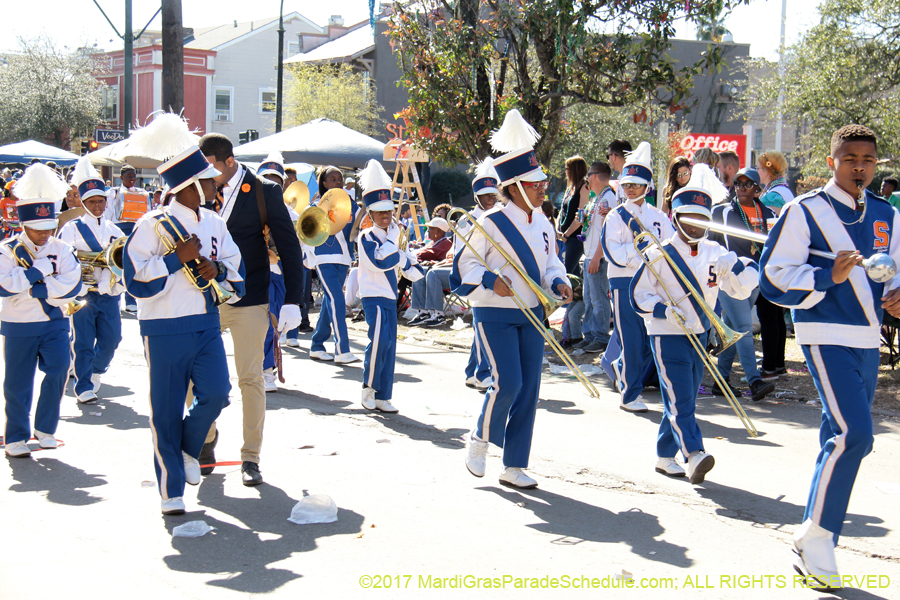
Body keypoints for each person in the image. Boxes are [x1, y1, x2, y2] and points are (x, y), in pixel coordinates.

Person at [759, 124, 900, 589]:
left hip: (867, 338)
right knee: (855, 435)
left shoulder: (887, 214)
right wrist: (826, 275)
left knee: (834, 436)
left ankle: (815, 544)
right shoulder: (805, 211)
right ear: (831, 162)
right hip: (823, 333)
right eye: (849, 158)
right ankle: (814, 536)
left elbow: (893, 273)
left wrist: (897, 294)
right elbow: (774, 278)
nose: (859, 167)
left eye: (867, 160)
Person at [124, 113, 245, 514]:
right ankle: (170, 491)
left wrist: (219, 269)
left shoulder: (213, 220)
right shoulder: (150, 225)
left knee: (217, 394)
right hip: (162, 329)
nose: (216, 184)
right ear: (191, 186)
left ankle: (189, 450)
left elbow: (234, 266)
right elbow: (136, 280)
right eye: (209, 181)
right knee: (165, 409)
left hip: (207, 324)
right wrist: (177, 260)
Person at [454, 109, 572, 489]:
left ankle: (515, 464)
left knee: (530, 389)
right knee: (508, 384)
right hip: (495, 312)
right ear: (517, 186)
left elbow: (551, 263)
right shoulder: (487, 223)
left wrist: (558, 282)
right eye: (536, 184)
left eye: (542, 183)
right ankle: (479, 437)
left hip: (533, 314)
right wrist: (491, 279)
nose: (543, 188)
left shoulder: (545, 224)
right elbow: (463, 267)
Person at [631, 164, 758, 484]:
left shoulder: (717, 251)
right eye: (690, 217)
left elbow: (738, 289)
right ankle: (694, 454)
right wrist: (663, 312)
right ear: (676, 218)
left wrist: (744, 268)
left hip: (700, 335)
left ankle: (663, 456)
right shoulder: (658, 254)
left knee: (682, 398)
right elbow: (638, 296)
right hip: (667, 335)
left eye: (703, 218)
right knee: (680, 397)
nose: (698, 224)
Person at [198, 132, 305, 486]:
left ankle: (250, 458)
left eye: (211, 166)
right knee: (197, 377)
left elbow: (290, 248)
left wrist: (293, 299)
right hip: (206, 298)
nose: (206, 174)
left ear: (229, 161)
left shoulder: (263, 191)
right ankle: (207, 435)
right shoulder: (198, 189)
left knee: (250, 379)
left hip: (251, 296)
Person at [0, 164, 82, 458]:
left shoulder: (62, 248)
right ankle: (17, 436)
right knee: (17, 383)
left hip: (55, 321)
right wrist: (38, 272)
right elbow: (5, 287)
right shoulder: (7, 250)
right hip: (18, 324)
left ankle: (45, 429)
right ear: (24, 225)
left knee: (60, 368)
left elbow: (72, 287)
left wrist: (35, 289)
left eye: (49, 228)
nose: (44, 234)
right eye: (37, 229)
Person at [600, 141, 674, 413]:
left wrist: (650, 252)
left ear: (647, 186)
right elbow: (615, 254)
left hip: (652, 283)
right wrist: (643, 250)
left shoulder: (659, 216)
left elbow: (668, 248)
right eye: (627, 184)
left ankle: (621, 368)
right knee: (630, 338)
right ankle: (630, 395)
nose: (630, 189)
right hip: (623, 282)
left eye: (636, 184)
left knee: (647, 339)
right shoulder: (616, 216)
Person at [356, 159, 425, 413]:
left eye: (389, 211)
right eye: (380, 212)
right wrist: (397, 247)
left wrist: (409, 260)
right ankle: (368, 387)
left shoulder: (393, 238)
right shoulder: (367, 237)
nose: (386, 216)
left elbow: (413, 271)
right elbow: (378, 262)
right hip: (372, 296)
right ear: (371, 213)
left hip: (389, 297)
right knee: (378, 342)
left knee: (390, 344)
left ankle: (384, 394)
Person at [58, 156, 125, 404]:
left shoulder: (115, 230)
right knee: (83, 341)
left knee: (112, 339)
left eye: (100, 201)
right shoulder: (72, 228)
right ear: (84, 203)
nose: (97, 206)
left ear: (106, 202)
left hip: (108, 294)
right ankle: (83, 386)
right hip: (83, 293)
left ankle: (95, 370)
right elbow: (64, 260)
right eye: (91, 201)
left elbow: (122, 262)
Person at [708, 167, 777, 401]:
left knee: (734, 328)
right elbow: (710, 243)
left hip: (755, 276)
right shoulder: (722, 212)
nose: (741, 187)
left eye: (748, 184)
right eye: (738, 183)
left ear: (757, 188)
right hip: (731, 276)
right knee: (745, 328)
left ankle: (721, 380)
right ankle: (754, 381)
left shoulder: (767, 213)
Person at [304, 165, 361, 364]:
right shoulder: (315, 206)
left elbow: (357, 227)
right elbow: (306, 232)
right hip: (324, 258)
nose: (338, 182)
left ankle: (317, 345)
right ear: (325, 183)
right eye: (334, 179)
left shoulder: (351, 204)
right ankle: (342, 349)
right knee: (337, 299)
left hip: (344, 258)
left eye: (340, 179)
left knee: (330, 303)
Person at [458, 158, 501, 390]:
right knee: (484, 325)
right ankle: (483, 372)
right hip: (478, 278)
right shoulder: (467, 220)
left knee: (481, 327)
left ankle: (472, 371)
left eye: (493, 194)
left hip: (495, 278)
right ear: (477, 197)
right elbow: (462, 255)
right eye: (486, 196)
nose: (491, 199)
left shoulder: (500, 217)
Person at [258, 151, 296, 391]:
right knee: (265, 321)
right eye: (267, 180)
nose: (272, 185)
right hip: (259, 271)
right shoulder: (249, 210)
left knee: (277, 322)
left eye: (276, 181)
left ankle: (265, 366)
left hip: (281, 270)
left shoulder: (292, 213)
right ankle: (265, 370)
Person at [755, 151, 793, 380]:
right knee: (776, 314)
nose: (757, 172)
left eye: (759, 168)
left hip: (773, 258)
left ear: (768, 170)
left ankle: (769, 367)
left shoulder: (772, 196)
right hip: (784, 257)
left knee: (768, 315)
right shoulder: (784, 190)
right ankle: (777, 364)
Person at [574, 161, 614, 353]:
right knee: (589, 298)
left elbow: (607, 231)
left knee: (599, 299)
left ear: (595, 176)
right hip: (589, 254)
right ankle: (589, 335)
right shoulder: (596, 197)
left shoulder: (609, 198)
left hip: (598, 256)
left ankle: (600, 337)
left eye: (589, 174)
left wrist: (597, 257)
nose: (587, 178)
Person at [105, 164, 150, 313]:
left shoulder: (143, 193)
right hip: (119, 230)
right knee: (116, 266)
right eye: (129, 176)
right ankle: (116, 298)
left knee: (133, 265)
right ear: (121, 178)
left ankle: (131, 301)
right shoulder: (114, 192)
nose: (132, 179)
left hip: (136, 230)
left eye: (133, 176)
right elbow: (109, 213)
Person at [403, 217, 453, 327]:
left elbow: (445, 259)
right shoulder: (432, 243)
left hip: (441, 276)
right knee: (419, 271)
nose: (428, 230)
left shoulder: (445, 243)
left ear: (439, 231)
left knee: (426, 272)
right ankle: (422, 312)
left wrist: (431, 262)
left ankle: (438, 314)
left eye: (430, 228)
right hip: (429, 272)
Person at [557, 156, 590, 277]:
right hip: (564, 236)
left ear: (574, 170)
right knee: (574, 274)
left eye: (567, 168)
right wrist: (558, 230)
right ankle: (577, 294)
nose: (565, 171)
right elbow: (562, 211)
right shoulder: (570, 187)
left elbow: (580, 218)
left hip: (575, 238)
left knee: (566, 272)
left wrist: (566, 235)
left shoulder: (584, 188)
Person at [757, 150, 794, 215]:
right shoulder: (781, 189)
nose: (756, 171)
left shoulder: (773, 196)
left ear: (766, 170)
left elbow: (771, 223)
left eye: (758, 168)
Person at [607, 139, 633, 205]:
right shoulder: (622, 177)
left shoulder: (635, 178)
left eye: (608, 156)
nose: (608, 160)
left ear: (614, 157)